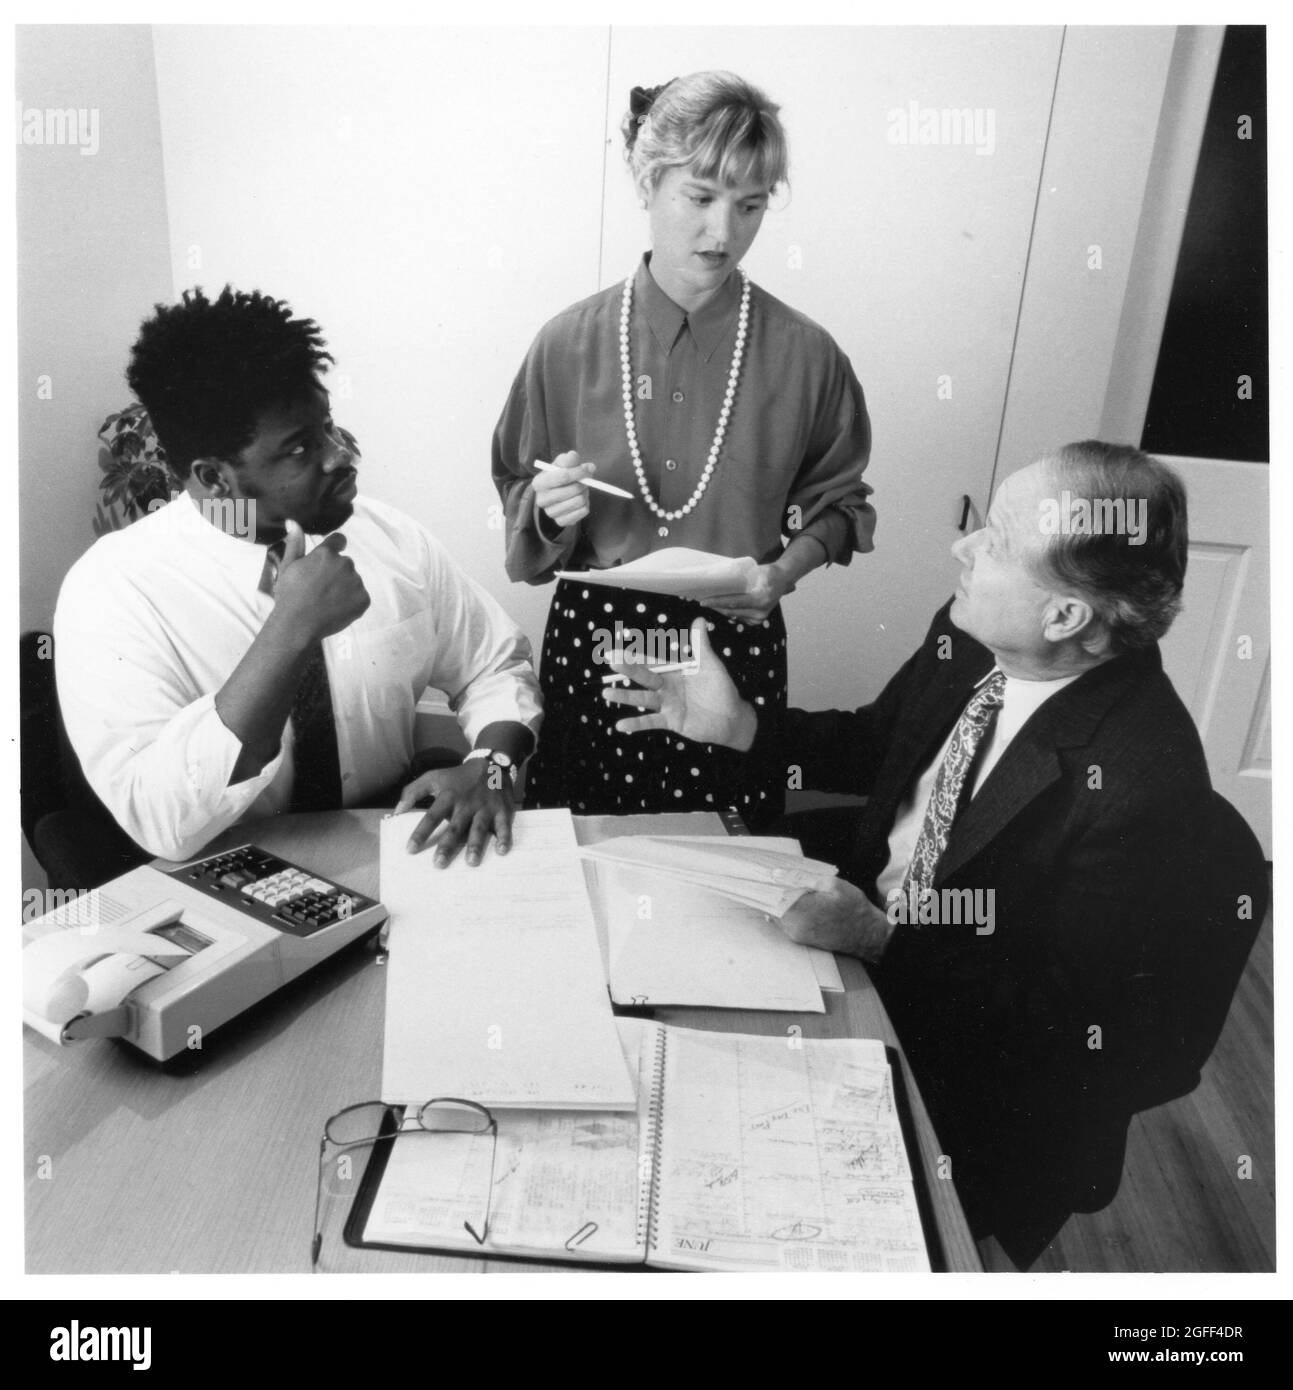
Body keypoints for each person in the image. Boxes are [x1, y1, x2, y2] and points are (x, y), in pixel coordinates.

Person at [603, 441, 1264, 1265]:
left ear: (1065, 618)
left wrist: (881, 940)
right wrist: (741, 726)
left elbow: (1067, 1025)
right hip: (855, 943)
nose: (962, 548)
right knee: (641, 1039)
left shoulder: (1143, 783)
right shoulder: (971, 638)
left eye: (996, 541)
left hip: (969, 1067)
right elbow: (879, 746)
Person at [493, 71, 874, 827]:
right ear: (648, 183)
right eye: (699, 198)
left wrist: (781, 574)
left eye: (750, 205)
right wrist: (547, 508)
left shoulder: (807, 355)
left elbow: (839, 504)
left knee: (727, 855)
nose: (722, 233)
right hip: (598, 637)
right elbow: (517, 483)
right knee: (586, 846)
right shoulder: (566, 343)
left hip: (732, 632)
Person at [55, 286, 541, 867]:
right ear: (214, 478)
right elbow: (160, 821)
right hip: (228, 874)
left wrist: (492, 765)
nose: (340, 456)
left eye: (328, 427)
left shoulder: (391, 539)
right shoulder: (113, 590)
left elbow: (495, 664)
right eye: (300, 448)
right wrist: (291, 629)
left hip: (394, 848)